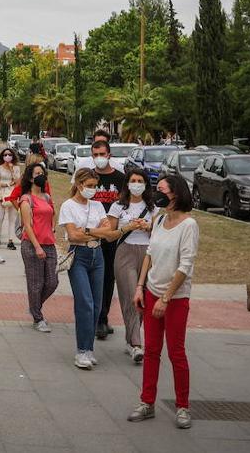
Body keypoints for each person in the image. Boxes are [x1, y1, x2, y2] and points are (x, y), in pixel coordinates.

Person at [128, 175, 199, 431]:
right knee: (151, 351)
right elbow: (149, 254)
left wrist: (166, 298)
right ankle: (147, 402)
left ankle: (182, 406)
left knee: (176, 352)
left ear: (176, 194)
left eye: (161, 190)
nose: (156, 194)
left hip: (175, 298)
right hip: (151, 292)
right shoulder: (158, 219)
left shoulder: (189, 225)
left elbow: (185, 265)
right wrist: (140, 286)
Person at [99, 168, 157, 364]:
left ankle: (130, 339)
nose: (136, 183)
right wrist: (128, 227)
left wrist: (148, 227)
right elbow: (110, 234)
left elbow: (159, 236)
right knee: (132, 297)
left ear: (146, 184)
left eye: (140, 180)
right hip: (125, 253)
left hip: (147, 254)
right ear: (127, 183)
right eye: (133, 180)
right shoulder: (118, 206)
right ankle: (136, 344)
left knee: (143, 300)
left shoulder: (152, 208)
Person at [58, 167, 109, 370]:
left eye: (95, 186)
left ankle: (89, 348)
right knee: (85, 302)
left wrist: (88, 231)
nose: (92, 190)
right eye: (89, 186)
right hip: (78, 256)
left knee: (97, 304)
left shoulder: (97, 206)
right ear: (79, 185)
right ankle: (81, 350)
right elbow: (73, 236)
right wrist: (96, 232)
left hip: (98, 256)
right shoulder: (68, 206)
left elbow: (108, 231)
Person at [88, 138, 129, 340]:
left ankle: (102, 319)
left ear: (109, 155)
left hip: (112, 237)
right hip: (91, 236)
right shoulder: (89, 178)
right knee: (92, 277)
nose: (99, 158)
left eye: (102, 154)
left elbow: (127, 205)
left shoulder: (121, 178)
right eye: (95, 155)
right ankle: (95, 317)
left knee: (107, 279)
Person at [18, 162, 58, 332]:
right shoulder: (26, 199)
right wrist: (37, 247)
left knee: (52, 282)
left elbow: (52, 214)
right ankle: (37, 317)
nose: (40, 175)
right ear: (30, 177)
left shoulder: (47, 197)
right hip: (32, 245)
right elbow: (27, 225)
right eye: (37, 173)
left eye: (42, 173)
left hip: (49, 244)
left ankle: (34, 306)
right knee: (36, 283)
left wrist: (53, 228)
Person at [0, 148, 23, 250]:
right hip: (1, 194)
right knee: (0, 217)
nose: (7, 156)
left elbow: (18, 182)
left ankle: (11, 240)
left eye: (9, 154)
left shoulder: (16, 168)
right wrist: (7, 184)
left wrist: (12, 170)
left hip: (13, 195)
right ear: (2, 156)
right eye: (5, 154)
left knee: (12, 218)